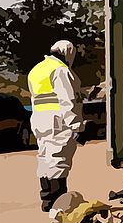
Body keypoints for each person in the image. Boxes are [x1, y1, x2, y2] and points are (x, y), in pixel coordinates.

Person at [29, 40, 83, 212]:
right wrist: (77, 127)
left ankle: (46, 198)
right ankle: (58, 201)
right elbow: (67, 101)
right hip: (58, 121)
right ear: (68, 53)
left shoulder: (36, 70)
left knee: (45, 158)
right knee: (59, 159)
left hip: (39, 120)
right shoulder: (60, 70)